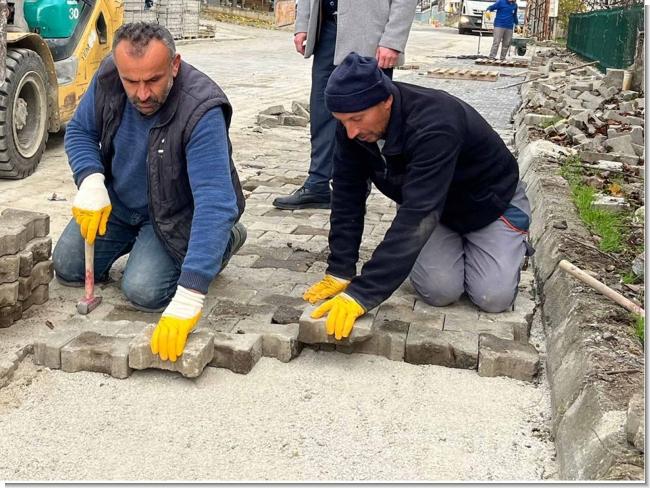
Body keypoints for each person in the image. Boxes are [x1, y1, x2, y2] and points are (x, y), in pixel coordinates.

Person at [303, 53, 533, 340]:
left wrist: (362, 294)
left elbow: (417, 215)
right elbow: (347, 193)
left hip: (490, 204)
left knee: (493, 297)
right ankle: (460, 251)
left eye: (357, 119)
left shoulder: (436, 122)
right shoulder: (353, 128)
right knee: (439, 292)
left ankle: (509, 245)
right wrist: (341, 268)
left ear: (386, 101)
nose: (350, 131)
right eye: (342, 121)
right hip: (436, 210)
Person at [53, 22, 247, 362]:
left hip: (174, 214)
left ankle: (227, 240)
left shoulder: (201, 108)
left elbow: (215, 202)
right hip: (119, 203)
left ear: (175, 65)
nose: (142, 94)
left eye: (153, 81)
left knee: (144, 291)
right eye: (131, 81)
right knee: (67, 266)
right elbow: (80, 131)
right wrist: (91, 180)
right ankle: (137, 241)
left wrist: (191, 293)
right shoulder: (110, 76)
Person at [272, 0, 418, 210]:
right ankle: (318, 184)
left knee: (366, 117)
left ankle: (359, 191)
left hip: (369, 34)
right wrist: (303, 24)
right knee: (322, 112)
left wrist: (393, 39)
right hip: (326, 29)